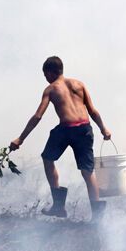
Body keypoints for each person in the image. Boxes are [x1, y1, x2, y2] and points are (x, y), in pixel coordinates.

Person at [9, 56, 112, 220]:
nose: (45, 78)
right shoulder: (79, 84)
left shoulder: (50, 89)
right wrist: (103, 128)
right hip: (85, 128)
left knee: (48, 159)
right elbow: (92, 110)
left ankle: (58, 206)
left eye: (45, 74)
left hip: (66, 130)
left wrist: (20, 139)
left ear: (50, 72)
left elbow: (37, 116)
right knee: (87, 171)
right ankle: (97, 215)